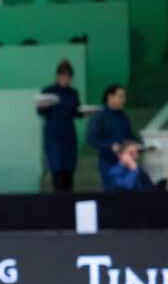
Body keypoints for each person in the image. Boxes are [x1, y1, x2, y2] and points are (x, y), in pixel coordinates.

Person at [36, 60, 82, 192]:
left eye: (68, 76)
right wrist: (43, 106)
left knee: (69, 171)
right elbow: (40, 111)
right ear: (57, 76)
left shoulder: (73, 92)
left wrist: (84, 113)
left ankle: (69, 200)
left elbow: (76, 111)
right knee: (57, 172)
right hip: (53, 136)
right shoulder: (48, 91)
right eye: (63, 76)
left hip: (69, 135)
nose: (65, 79)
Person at [87, 84, 140, 190]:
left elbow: (129, 135)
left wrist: (139, 144)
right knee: (111, 194)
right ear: (110, 97)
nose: (123, 100)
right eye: (120, 96)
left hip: (126, 162)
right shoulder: (99, 116)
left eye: (124, 97)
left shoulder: (123, 116)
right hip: (108, 162)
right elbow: (91, 139)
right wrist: (110, 146)